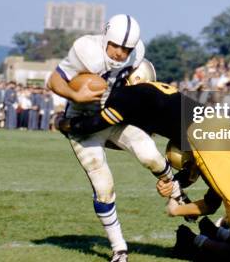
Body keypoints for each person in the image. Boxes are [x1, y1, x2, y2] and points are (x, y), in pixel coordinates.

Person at [61, 60, 230, 261]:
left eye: (188, 167)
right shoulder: (160, 98)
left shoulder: (129, 94)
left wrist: (69, 124)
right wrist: (175, 192)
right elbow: (210, 203)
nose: (191, 173)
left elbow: (100, 123)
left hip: (208, 135)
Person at [47, 14, 177, 262]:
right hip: (82, 120)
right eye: (115, 45)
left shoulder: (137, 54)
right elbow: (54, 80)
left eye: (125, 48)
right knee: (103, 186)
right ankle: (119, 248)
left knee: (149, 152)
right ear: (106, 38)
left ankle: (176, 190)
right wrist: (75, 97)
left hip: (114, 116)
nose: (119, 53)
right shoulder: (86, 49)